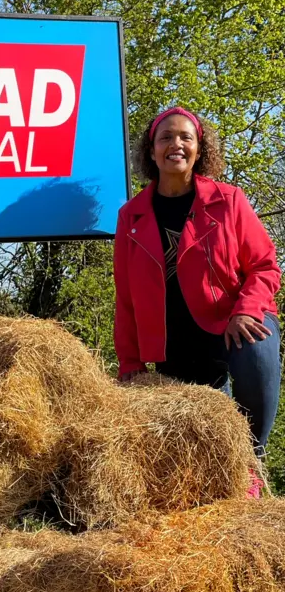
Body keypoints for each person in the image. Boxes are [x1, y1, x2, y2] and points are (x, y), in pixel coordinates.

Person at [114, 107, 281, 478]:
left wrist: (246, 310)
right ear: (151, 151)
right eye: (166, 137)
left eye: (185, 137)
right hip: (173, 342)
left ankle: (252, 464)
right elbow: (125, 297)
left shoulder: (229, 200)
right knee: (196, 453)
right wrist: (130, 362)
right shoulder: (131, 216)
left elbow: (265, 266)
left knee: (255, 347)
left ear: (199, 149)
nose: (176, 144)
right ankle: (225, 478)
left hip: (232, 326)